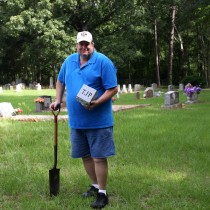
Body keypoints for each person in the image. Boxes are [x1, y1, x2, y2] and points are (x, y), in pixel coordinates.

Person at [50, 31, 118, 209]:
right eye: (81, 44)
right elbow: (60, 81)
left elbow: (113, 89)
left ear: (92, 44)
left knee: (98, 157)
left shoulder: (103, 62)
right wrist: (57, 100)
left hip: (99, 121)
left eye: (87, 44)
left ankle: (103, 194)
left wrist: (97, 102)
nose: (84, 47)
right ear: (76, 45)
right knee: (85, 156)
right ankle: (95, 186)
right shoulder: (69, 61)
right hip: (77, 121)